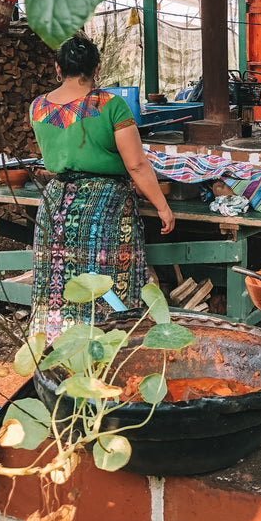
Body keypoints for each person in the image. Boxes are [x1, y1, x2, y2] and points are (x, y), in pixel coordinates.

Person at [29, 33, 175, 340]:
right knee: (110, 279)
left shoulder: (38, 107)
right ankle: (114, 341)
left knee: (58, 282)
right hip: (105, 205)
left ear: (58, 68)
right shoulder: (111, 105)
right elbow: (136, 165)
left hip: (56, 204)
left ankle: (57, 344)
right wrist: (162, 206)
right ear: (96, 68)